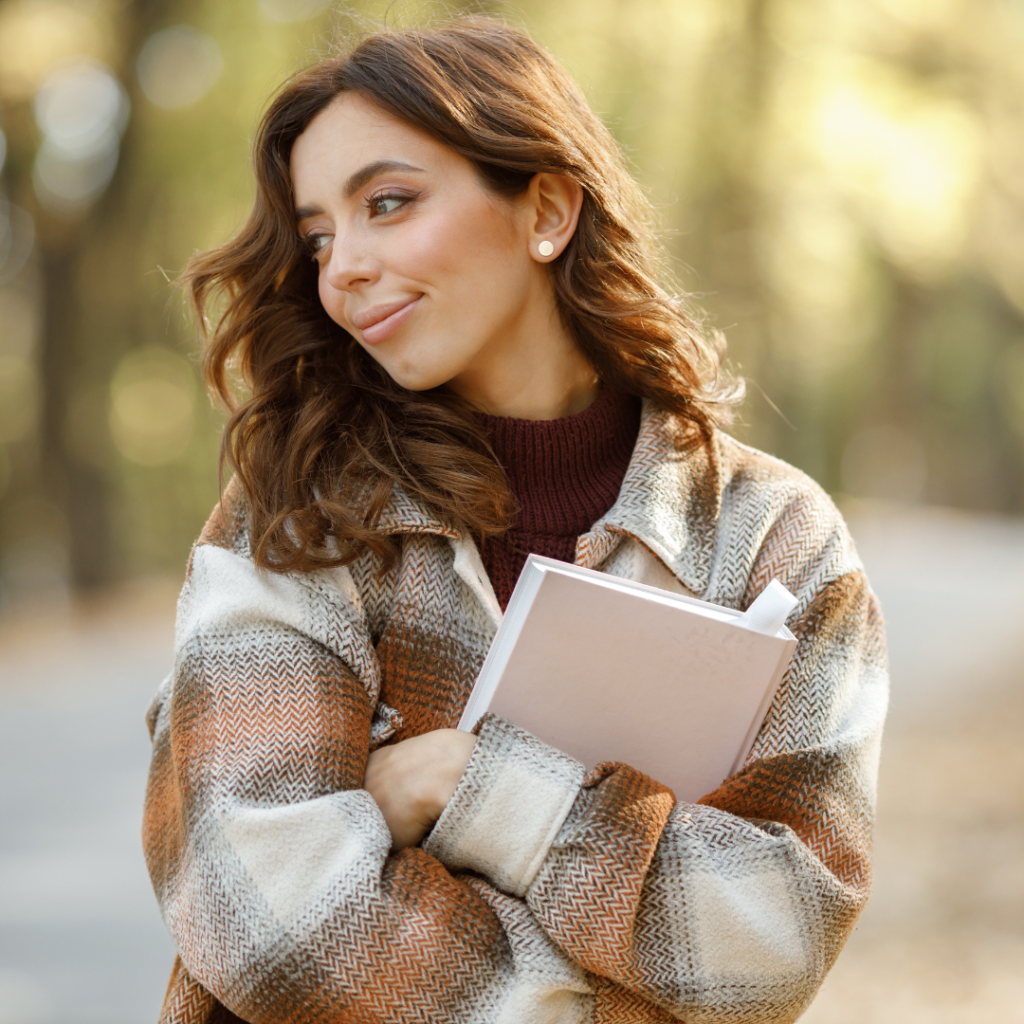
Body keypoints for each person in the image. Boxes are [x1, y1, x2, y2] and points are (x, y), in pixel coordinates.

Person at [143, 16, 888, 1024]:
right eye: (318, 236)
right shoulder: (298, 510)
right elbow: (262, 913)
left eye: (388, 203)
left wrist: (467, 785)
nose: (342, 268)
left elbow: (772, 940)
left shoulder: (774, 542)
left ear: (544, 211)